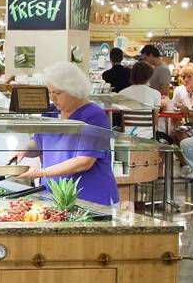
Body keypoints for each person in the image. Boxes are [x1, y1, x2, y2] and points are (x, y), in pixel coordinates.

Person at [10, 62, 120, 206]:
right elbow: (39, 142)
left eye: (57, 93)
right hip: (54, 196)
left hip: (90, 198)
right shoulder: (51, 112)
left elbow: (84, 162)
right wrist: (23, 151)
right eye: (50, 92)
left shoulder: (94, 116)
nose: (52, 98)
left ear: (74, 90)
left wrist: (40, 172)